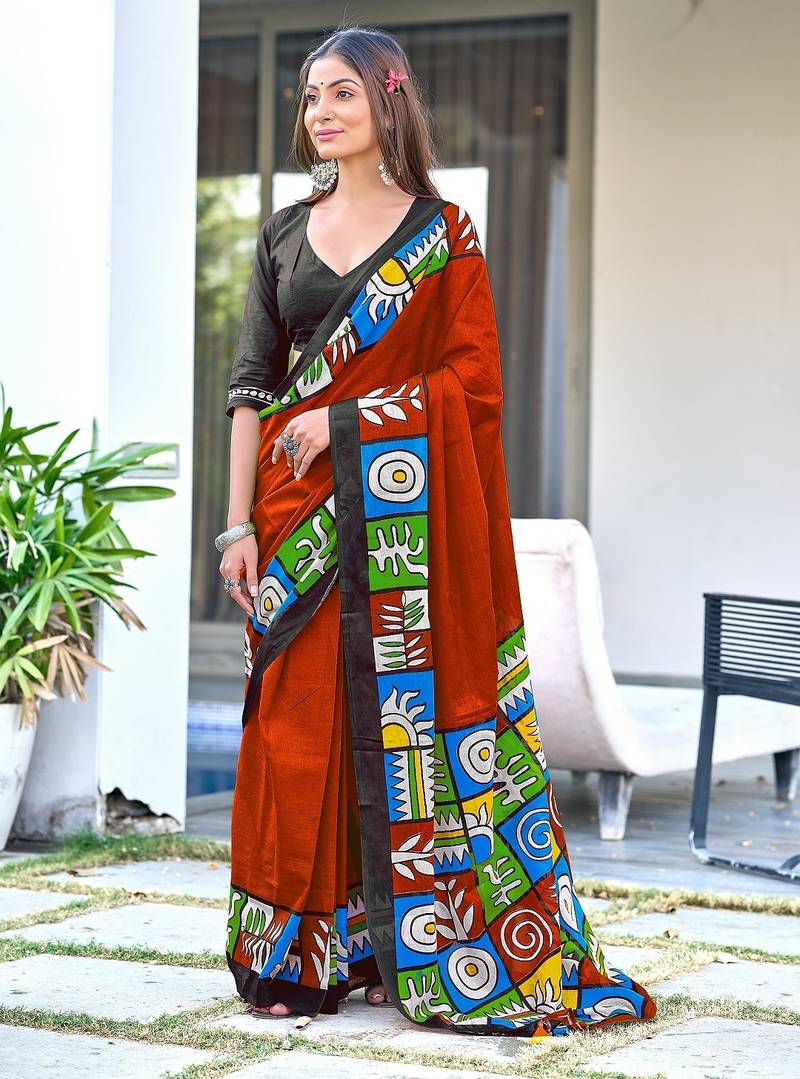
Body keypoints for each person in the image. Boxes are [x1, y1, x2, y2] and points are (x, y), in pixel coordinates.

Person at [219, 24, 656, 1038]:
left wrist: (344, 424)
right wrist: (233, 526)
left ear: (386, 102)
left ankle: (406, 939)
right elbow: (248, 386)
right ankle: (293, 952)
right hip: (290, 526)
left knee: (398, 727)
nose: (316, 113)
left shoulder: (441, 233)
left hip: (395, 523)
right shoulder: (282, 232)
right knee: (295, 729)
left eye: (335, 94)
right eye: (306, 97)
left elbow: (471, 385)